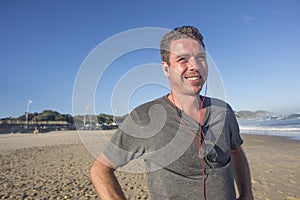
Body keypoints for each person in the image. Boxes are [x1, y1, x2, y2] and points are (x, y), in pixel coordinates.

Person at [90, 25, 253, 200]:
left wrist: (246, 193)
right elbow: (100, 169)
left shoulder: (224, 111)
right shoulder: (144, 117)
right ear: (166, 68)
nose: (194, 66)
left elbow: (236, 152)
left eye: (201, 58)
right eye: (183, 59)